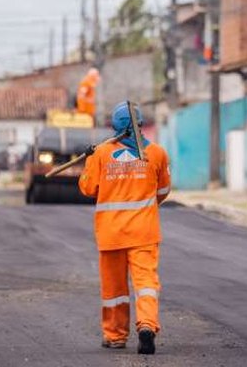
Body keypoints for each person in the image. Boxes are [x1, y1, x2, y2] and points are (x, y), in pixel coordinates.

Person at [79, 102, 171, 354]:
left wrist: (89, 161)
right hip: (144, 233)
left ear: (115, 127)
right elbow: (162, 191)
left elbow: (88, 189)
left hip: (111, 235)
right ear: (140, 124)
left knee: (114, 290)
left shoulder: (101, 153)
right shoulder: (158, 153)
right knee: (146, 284)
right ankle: (147, 326)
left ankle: (115, 336)